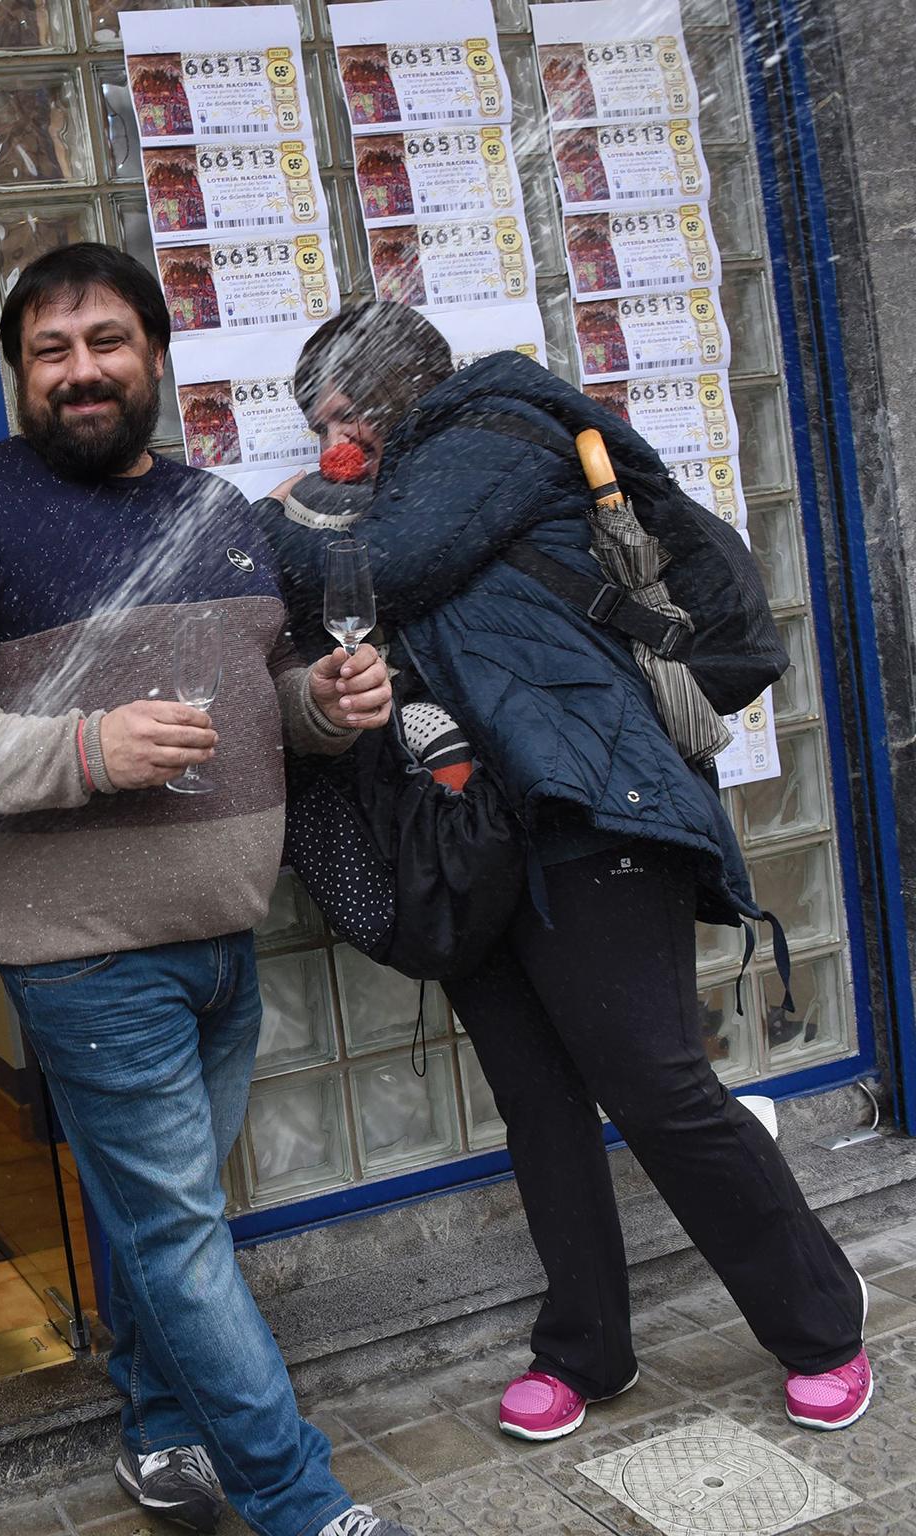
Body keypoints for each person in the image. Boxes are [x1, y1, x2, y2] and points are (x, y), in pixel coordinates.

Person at [0, 243, 404, 1536]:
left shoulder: (216, 511)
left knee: (171, 1227)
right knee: (178, 1239)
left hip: (224, 937)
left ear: (155, 356)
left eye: (106, 342)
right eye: (51, 352)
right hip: (87, 958)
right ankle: (297, 1502)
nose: (81, 372)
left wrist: (321, 709)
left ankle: (163, 1436)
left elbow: (251, 704)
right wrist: (83, 752)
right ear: (18, 376)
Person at [264, 300, 870, 1442]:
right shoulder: (394, 486)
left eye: (339, 419)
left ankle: (819, 1324)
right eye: (313, 431)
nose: (327, 446)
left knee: (654, 1087)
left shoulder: (493, 429)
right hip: (470, 833)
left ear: (394, 393)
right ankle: (585, 1350)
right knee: (538, 1107)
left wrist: (264, 517)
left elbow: (379, 568)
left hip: (592, 811)